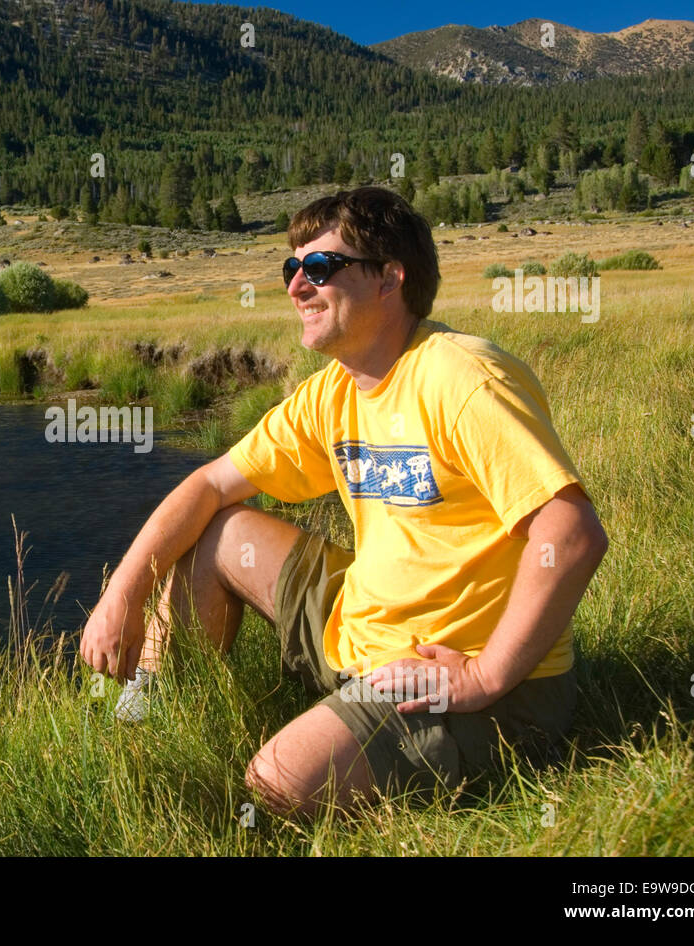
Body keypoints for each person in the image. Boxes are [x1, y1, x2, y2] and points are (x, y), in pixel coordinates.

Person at [79, 186, 607, 818]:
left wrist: (485, 676)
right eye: (291, 269)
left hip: (470, 673)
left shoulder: (461, 379)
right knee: (221, 532)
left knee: (273, 784)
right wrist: (124, 591)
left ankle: (458, 721)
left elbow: (571, 531)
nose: (298, 285)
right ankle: (151, 723)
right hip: (363, 629)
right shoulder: (332, 392)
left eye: (321, 267)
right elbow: (211, 485)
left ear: (389, 278)